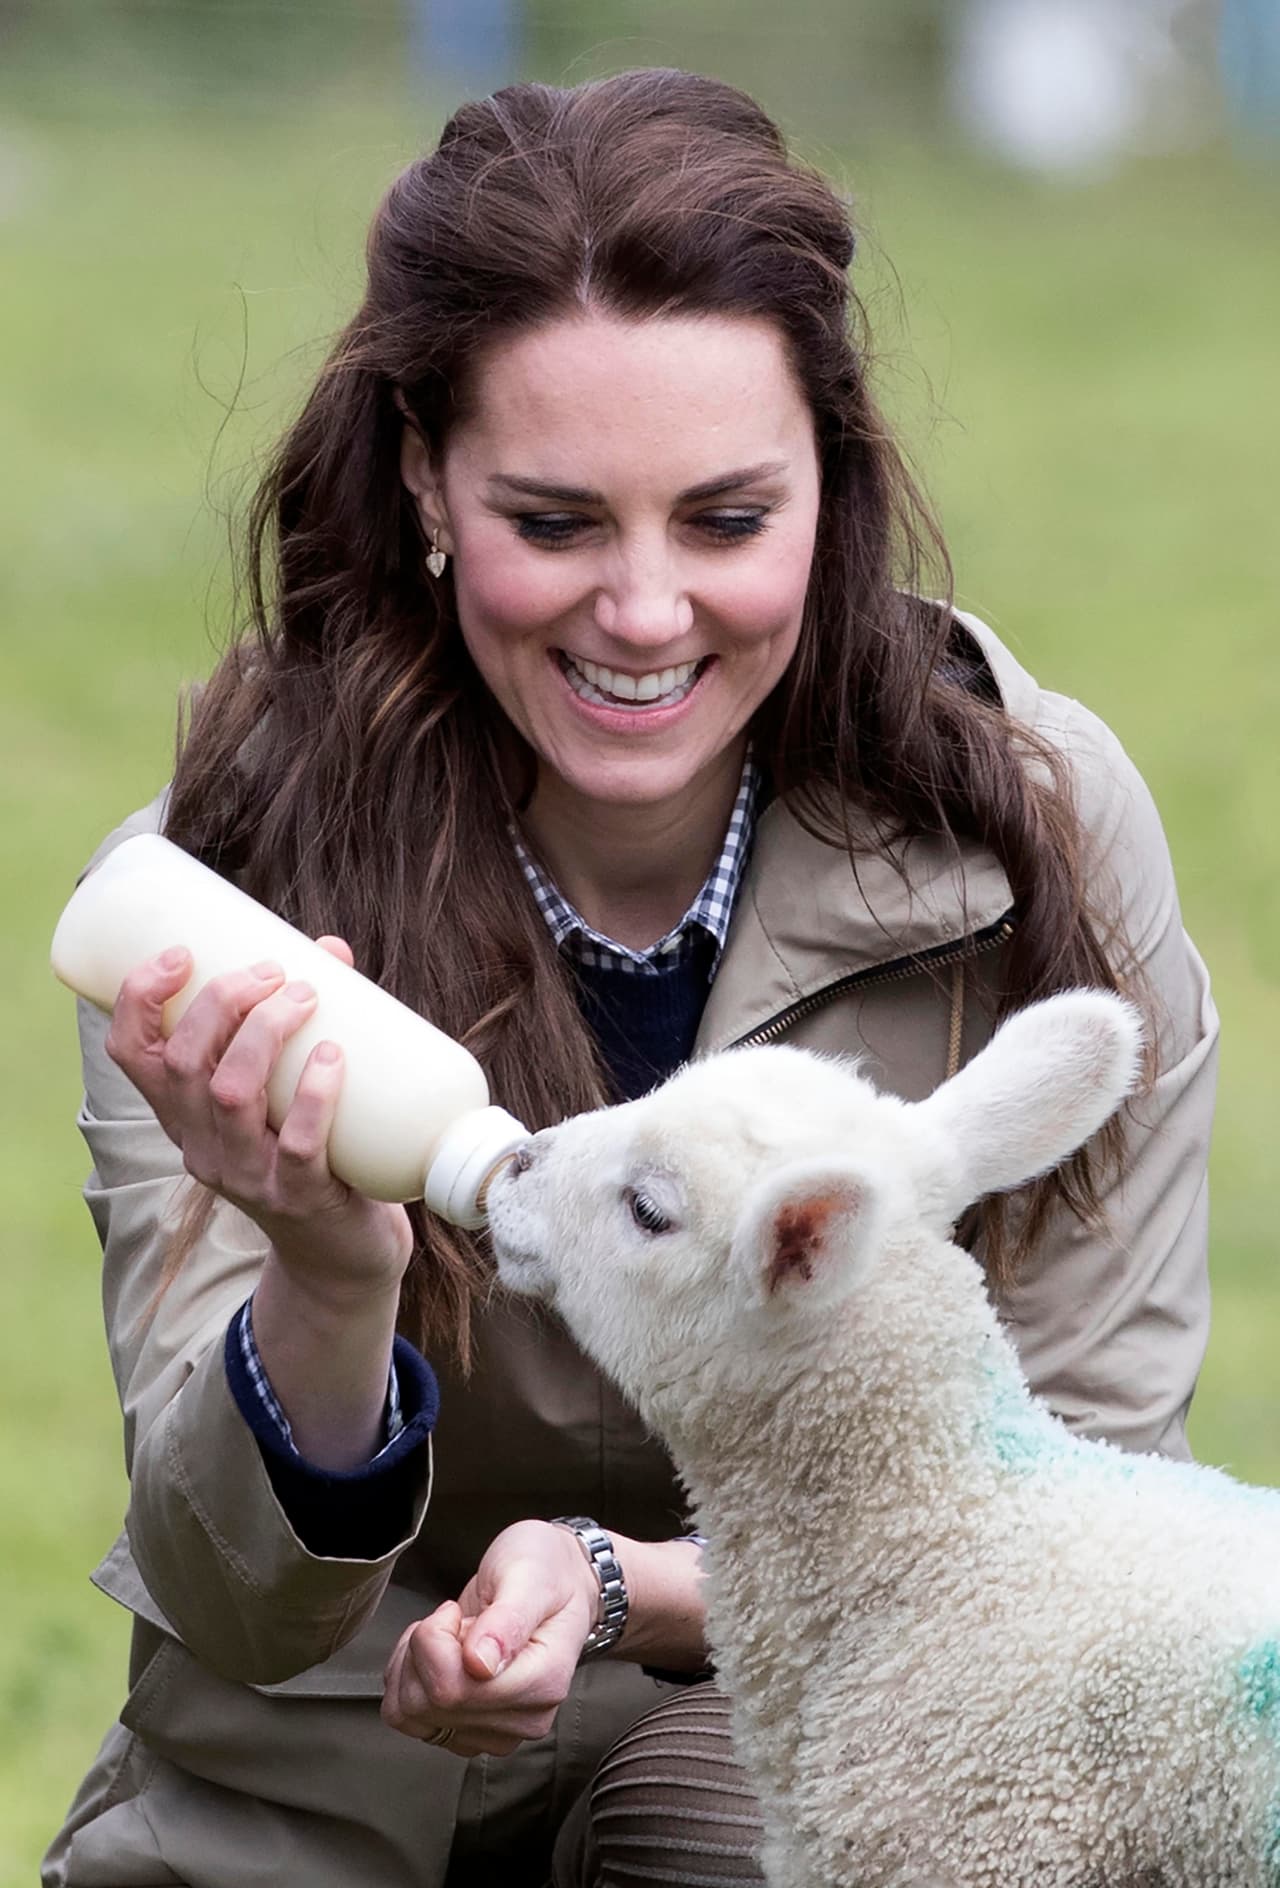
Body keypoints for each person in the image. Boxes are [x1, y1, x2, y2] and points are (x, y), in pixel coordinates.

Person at [44, 67, 1217, 1888]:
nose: (649, 612)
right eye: (560, 521)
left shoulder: (1033, 838)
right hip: (312, 1799)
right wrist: (332, 1274)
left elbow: (1070, 1511)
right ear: (427, 476)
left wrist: (608, 1591)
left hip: (787, 1752)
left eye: (729, 521)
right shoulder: (232, 913)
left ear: (832, 480)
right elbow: (237, 1606)